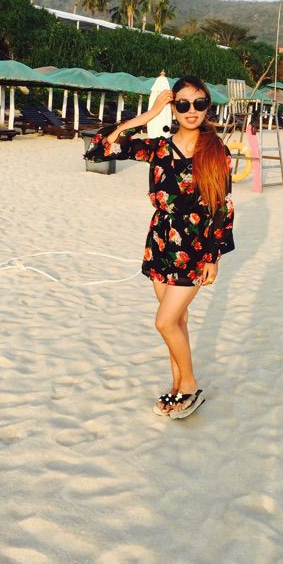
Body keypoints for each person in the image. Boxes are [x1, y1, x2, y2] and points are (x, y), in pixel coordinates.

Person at [85, 75, 235, 419]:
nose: (191, 110)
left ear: (208, 107)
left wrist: (213, 257)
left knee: (164, 322)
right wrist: (148, 115)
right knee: (177, 320)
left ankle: (189, 385)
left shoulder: (216, 151)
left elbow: (222, 206)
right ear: (173, 107)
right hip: (160, 241)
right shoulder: (159, 148)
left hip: (195, 246)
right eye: (183, 104)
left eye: (199, 103)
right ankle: (176, 384)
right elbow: (101, 149)